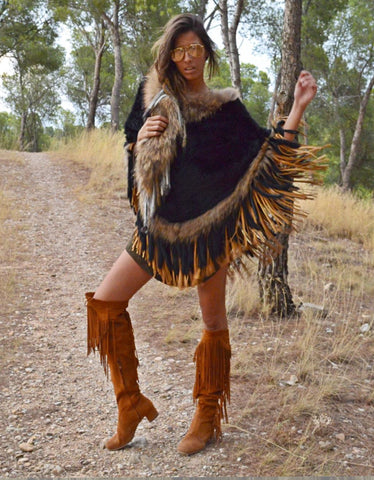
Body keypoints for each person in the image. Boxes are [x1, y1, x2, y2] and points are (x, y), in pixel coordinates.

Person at [86, 13, 323, 455]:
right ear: (169, 56)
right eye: (179, 50)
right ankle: (129, 405)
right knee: (105, 304)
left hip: (208, 231)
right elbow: (132, 145)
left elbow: (265, 155)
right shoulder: (154, 97)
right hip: (156, 229)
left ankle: (208, 414)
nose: (188, 57)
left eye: (195, 49)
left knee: (213, 322)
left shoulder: (226, 108)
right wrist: (142, 137)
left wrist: (298, 108)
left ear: (207, 53)